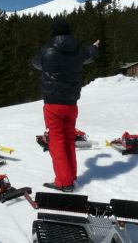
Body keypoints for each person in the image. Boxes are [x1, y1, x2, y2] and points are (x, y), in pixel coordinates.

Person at [32, 18, 100, 192]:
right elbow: (89, 54)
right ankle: (71, 175)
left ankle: (64, 182)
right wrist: (94, 47)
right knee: (69, 139)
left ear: (54, 34)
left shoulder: (46, 52)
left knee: (57, 140)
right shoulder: (77, 51)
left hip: (53, 104)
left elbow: (35, 63)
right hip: (71, 104)